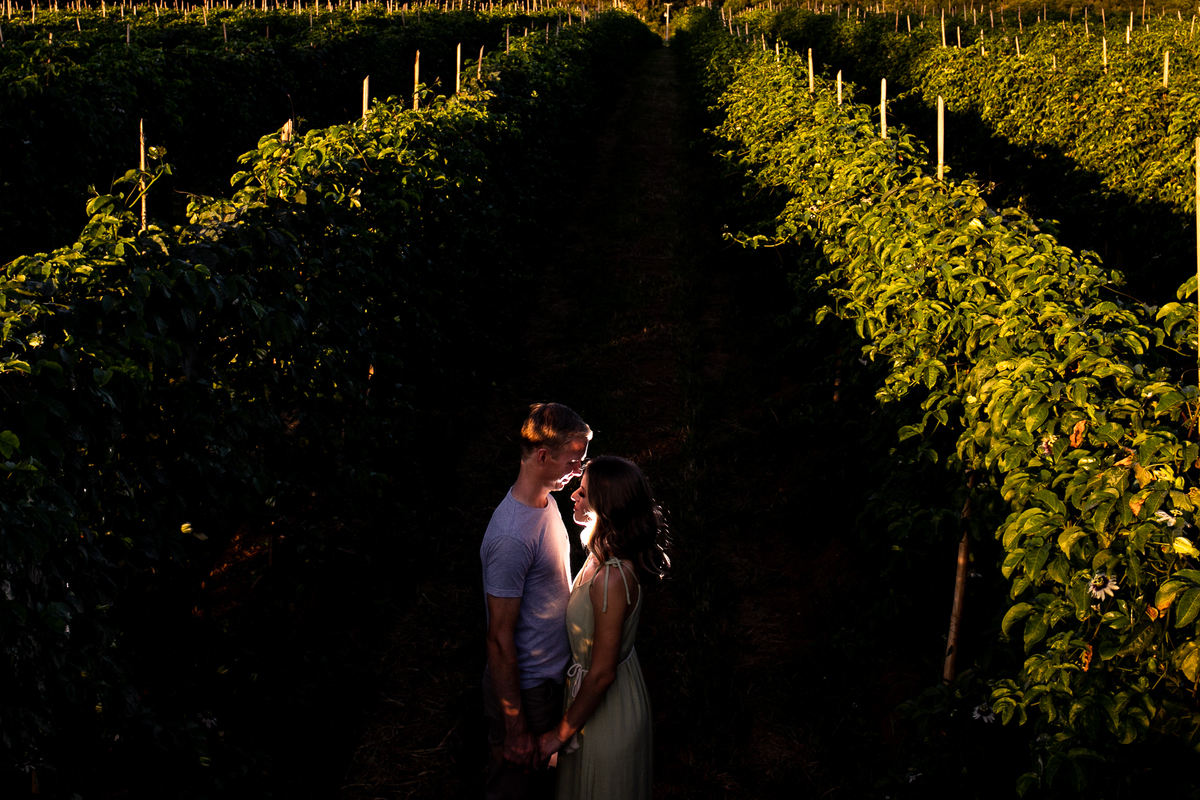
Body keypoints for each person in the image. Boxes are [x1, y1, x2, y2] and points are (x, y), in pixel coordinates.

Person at [538, 456, 670, 800]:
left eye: (582, 492)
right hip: (592, 703)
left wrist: (558, 734)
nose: (573, 497)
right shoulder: (600, 553)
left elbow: (601, 675)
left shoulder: (612, 578)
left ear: (604, 507)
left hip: (608, 714)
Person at [480, 403, 592, 800]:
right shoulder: (511, 537)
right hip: (527, 691)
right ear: (543, 456)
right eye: (573, 460)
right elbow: (498, 638)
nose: (578, 471)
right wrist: (515, 727)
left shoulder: (545, 503)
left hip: (550, 680)